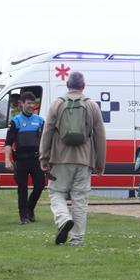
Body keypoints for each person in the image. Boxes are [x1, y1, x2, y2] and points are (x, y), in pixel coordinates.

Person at [39, 72, 107, 246]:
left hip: (60, 158)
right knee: (80, 199)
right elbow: (100, 136)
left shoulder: (57, 103)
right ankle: (77, 239)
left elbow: (47, 132)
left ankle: (63, 219)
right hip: (84, 160)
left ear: (67, 85)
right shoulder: (92, 105)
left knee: (56, 192)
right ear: (83, 86)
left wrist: (44, 157)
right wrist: (100, 163)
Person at [6, 92, 46, 224]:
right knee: (22, 188)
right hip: (21, 160)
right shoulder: (16, 121)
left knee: (40, 185)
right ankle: (24, 216)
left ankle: (29, 208)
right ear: (21, 104)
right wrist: (7, 159)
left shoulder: (40, 121)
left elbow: (47, 140)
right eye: (28, 103)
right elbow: (8, 143)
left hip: (36, 159)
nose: (31, 106)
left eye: (32, 103)